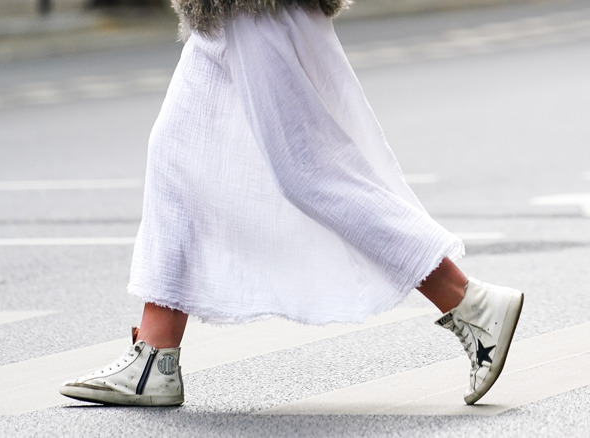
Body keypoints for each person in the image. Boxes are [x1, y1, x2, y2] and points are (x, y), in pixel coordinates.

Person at [60, 0, 524, 408]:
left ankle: (469, 302)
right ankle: (154, 358)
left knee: (308, 171)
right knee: (176, 151)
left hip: (256, 6)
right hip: (227, 7)